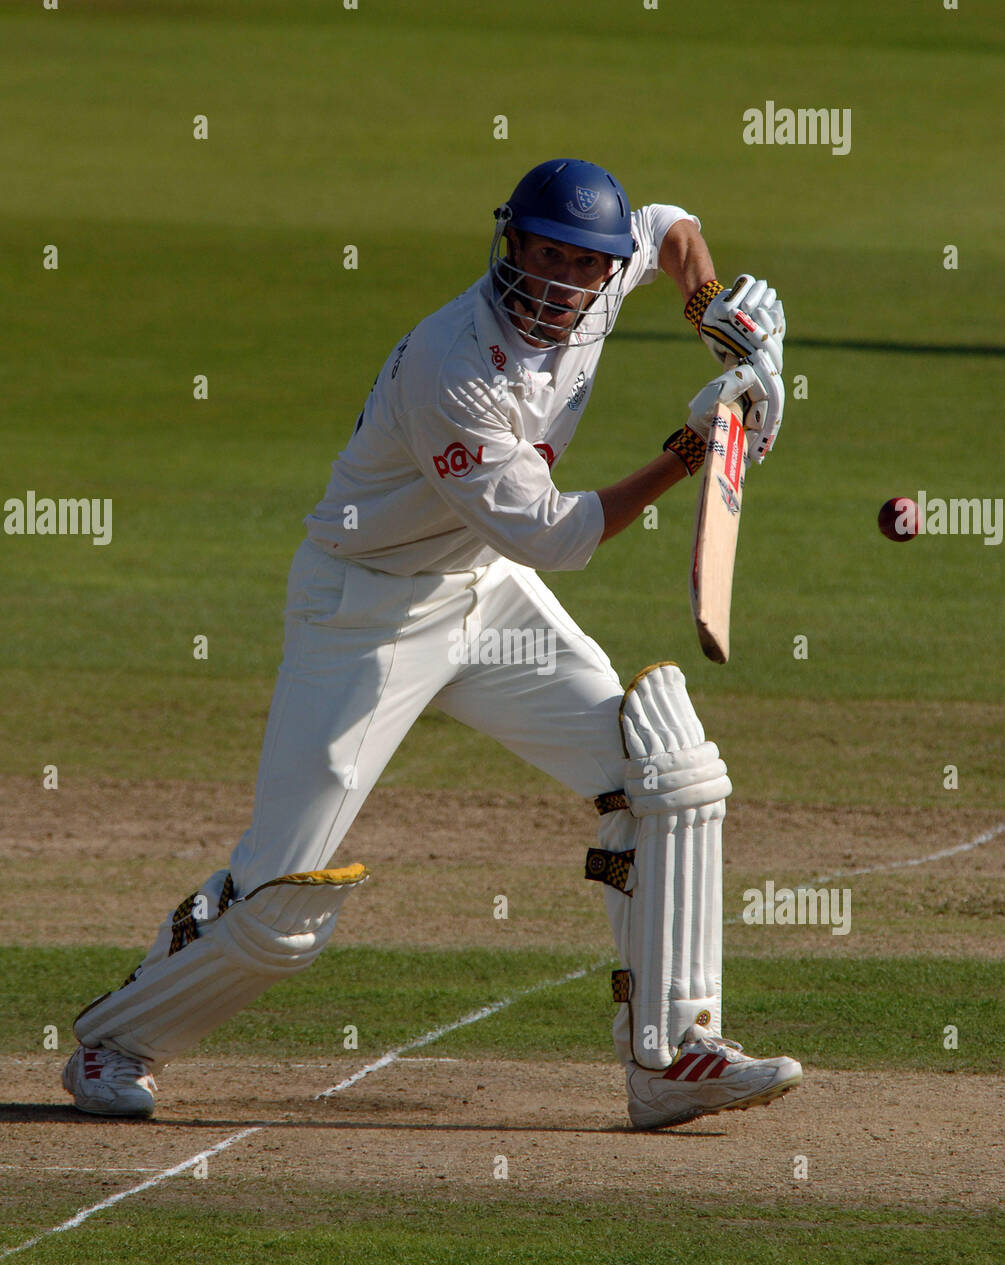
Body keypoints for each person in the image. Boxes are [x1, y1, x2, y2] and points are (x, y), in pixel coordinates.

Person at [62, 157, 799, 1128]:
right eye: (544, 255)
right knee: (284, 898)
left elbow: (670, 227)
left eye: (584, 265)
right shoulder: (453, 365)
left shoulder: (601, 272)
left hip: (480, 593)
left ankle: (671, 1055)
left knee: (667, 771)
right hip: (361, 612)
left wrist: (711, 311)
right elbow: (556, 536)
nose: (563, 281)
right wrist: (692, 449)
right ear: (512, 245)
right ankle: (112, 1042)